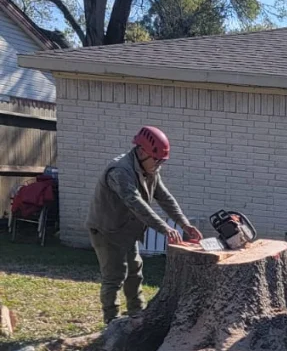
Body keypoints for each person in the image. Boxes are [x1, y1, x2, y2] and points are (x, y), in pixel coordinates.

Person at [86, 126, 202, 324]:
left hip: (127, 230)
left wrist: (185, 224)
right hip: (107, 230)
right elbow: (136, 204)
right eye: (156, 160)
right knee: (114, 276)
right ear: (141, 151)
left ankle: (136, 315)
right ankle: (111, 322)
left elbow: (165, 198)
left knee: (135, 271)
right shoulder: (120, 171)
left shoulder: (150, 169)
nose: (158, 166)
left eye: (162, 162)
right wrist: (164, 228)